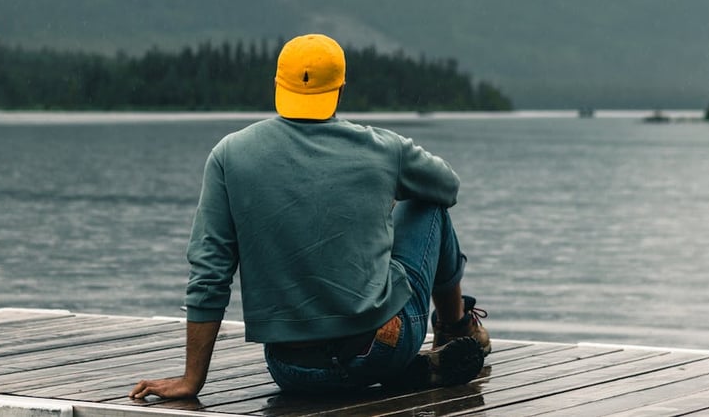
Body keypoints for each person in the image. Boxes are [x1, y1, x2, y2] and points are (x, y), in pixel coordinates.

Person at [130, 33, 490, 399]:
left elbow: (210, 272)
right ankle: (454, 329)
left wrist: (192, 379)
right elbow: (447, 188)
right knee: (427, 206)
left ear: (277, 84)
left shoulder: (229, 155)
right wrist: (383, 188)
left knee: (324, 354)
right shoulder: (383, 148)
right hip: (383, 345)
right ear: (341, 87)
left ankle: (394, 373)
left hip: (293, 370)